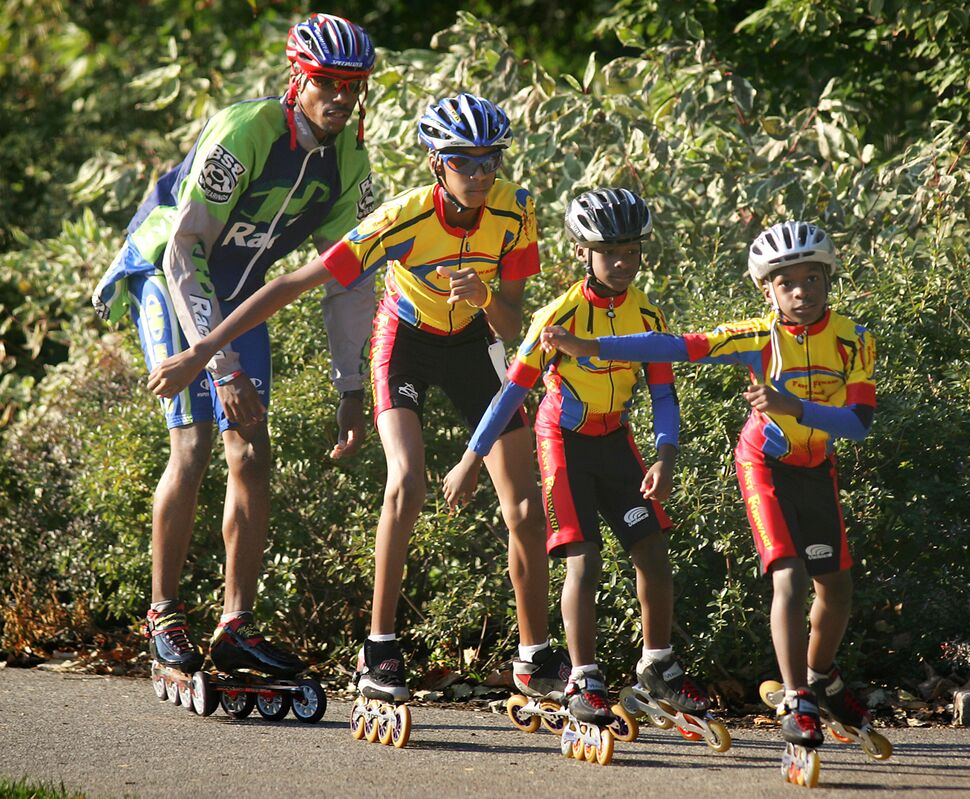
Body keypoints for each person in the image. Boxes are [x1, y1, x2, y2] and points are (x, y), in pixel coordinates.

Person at [145, 92, 561, 703]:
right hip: (407, 339)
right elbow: (294, 282)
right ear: (434, 163)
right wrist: (204, 352)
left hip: (474, 339)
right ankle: (380, 649)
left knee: (525, 504)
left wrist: (482, 298)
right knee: (407, 483)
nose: (478, 175)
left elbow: (511, 319)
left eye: (489, 161)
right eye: (463, 161)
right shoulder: (402, 218)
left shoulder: (516, 210)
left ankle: (535, 658)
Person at [91, 13, 379, 678]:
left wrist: (350, 387)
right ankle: (163, 613)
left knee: (252, 450)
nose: (340, 96)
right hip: (170, 271)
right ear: (296, 76)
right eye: (326, 81)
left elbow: (349, 283)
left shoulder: (350, 162)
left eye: (353, 86)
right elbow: (185, 253)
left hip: (241, 293)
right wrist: (218, 364)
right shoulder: (244, 130)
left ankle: (234, 626)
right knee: (193, 443)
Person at [540, 220, 877, 746]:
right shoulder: (753, 337)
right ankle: (797, 700)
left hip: (818, 469)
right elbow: (671, 346)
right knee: (787, 578)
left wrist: (795, 406)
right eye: (787, 283)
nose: (801, 292)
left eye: (812, 279)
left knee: (835, 587)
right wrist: (588, 344)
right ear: (766, 290)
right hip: (763, 464)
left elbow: (858, 424)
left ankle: (820, 678)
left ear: (828, 279)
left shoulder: (854, 341)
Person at [443, 188, 709, 725]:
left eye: (632, 251)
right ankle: (582, 680)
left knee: (652, 550)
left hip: (616, 440)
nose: (622, 263)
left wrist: (666, 455)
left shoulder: (649, 315)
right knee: (584, 562)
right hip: (563, 442)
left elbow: (663, 395)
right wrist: (471, 459)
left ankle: (657, 666)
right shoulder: (558, 316)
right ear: (583, 254)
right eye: (610, 252)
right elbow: (511, 395)